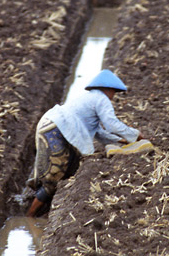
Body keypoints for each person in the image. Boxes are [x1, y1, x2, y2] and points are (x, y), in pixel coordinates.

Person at [26, 69, 147, 217]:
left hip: (50, 125)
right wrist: (135, 134)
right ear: (108, 89)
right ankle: (30, 216)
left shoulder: (89, 99)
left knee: (70, 168)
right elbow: (111, 124)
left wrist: (121, 140)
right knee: (54, 176)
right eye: (113, 92)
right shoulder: (101, 99)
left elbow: (98, 132)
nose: (113, 96)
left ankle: (41, 209)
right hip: (56, 129)